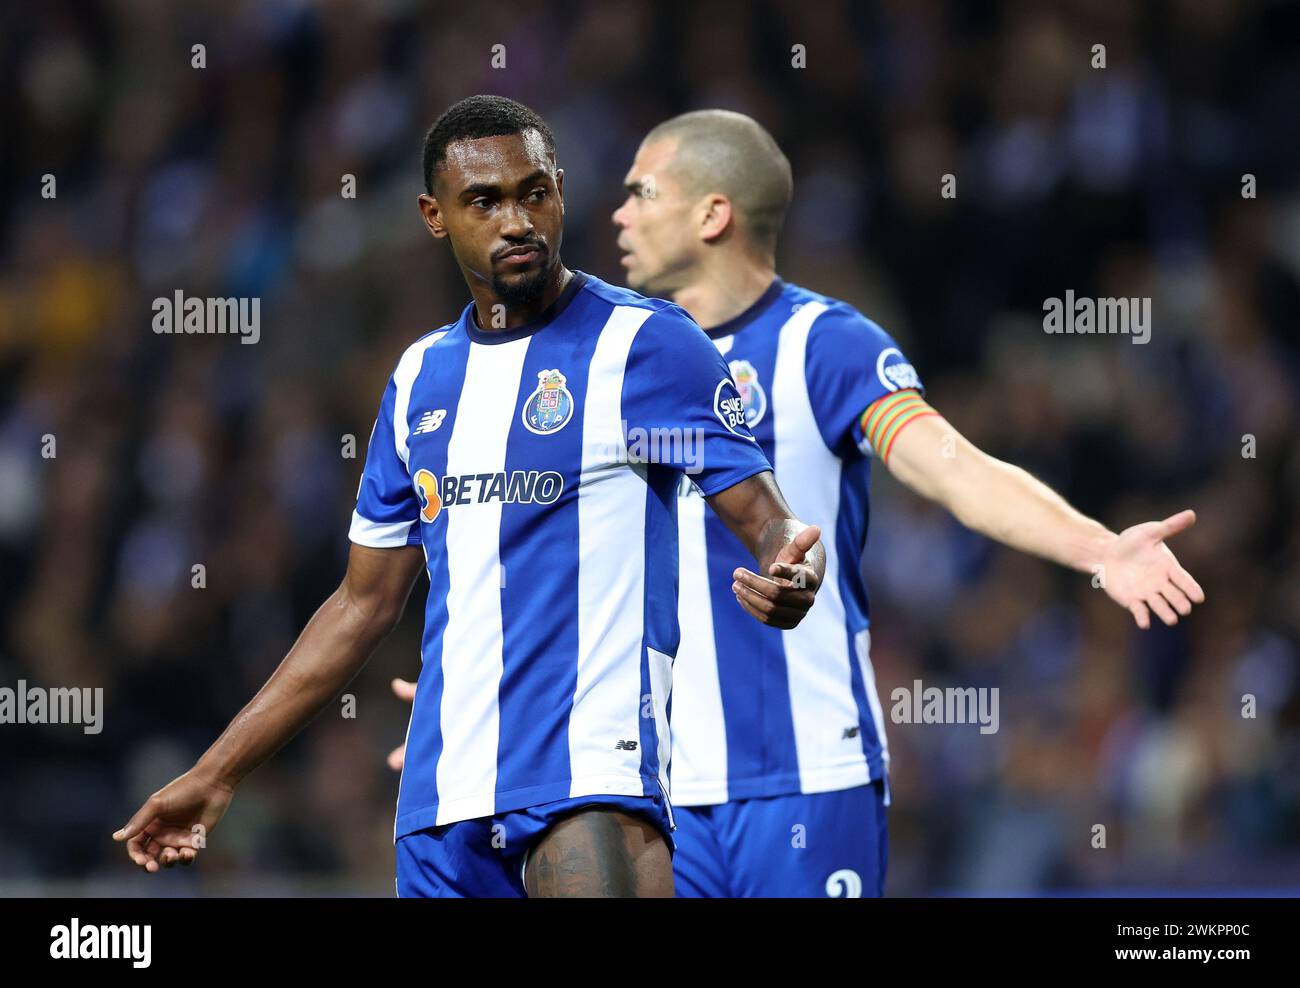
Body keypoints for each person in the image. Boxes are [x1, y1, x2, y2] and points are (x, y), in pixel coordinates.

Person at [113, 96, 830, 898]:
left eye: (534, 193)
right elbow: (360, 607)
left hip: (589, 777)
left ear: (560, 191)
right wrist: (217, 773)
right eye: (484, 201)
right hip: (441, 801)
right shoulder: (422, 377)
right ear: (434, 215)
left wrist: (793, 567)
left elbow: (770, 520)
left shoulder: (646, 346)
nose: (516, 220)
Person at [607, 109, 1204, 897]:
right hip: (655, 789)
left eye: (642, 192)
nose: (619, 214)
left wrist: (1096, 547)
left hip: (809, 774)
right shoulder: (613, 365)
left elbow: (954, 468)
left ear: (712, 213)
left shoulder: (824, 344)